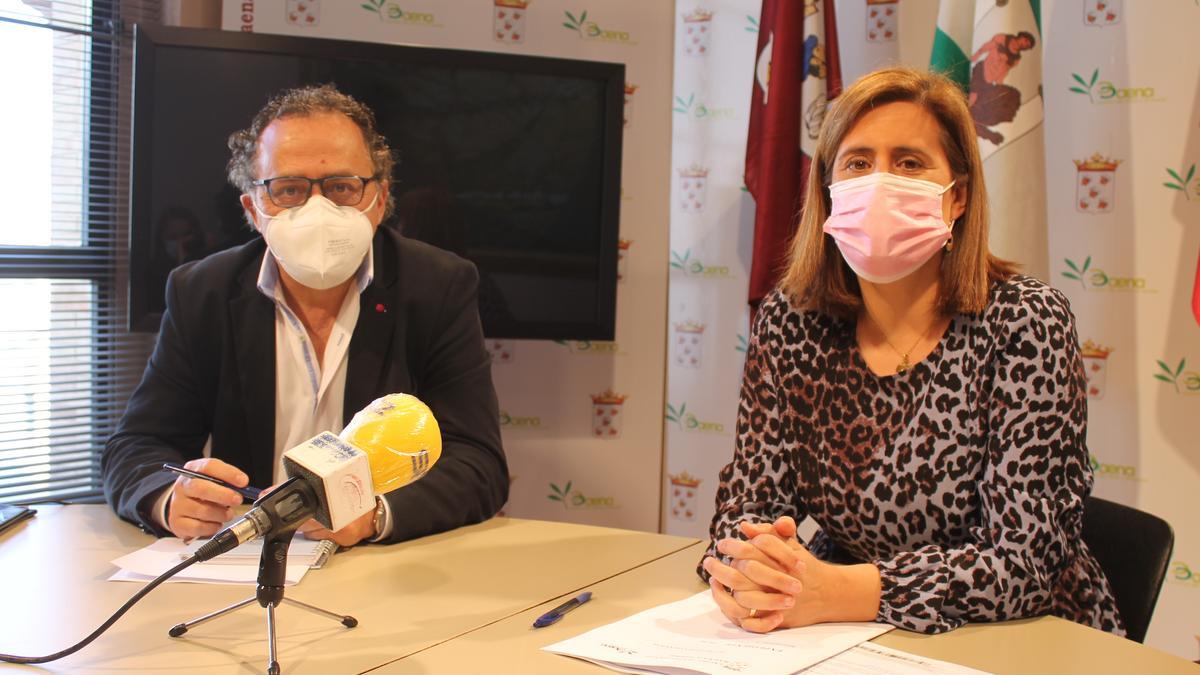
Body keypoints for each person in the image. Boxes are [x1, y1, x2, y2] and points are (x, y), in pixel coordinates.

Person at [699, 67, 1123, 636]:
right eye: (857, 162)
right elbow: (747, 502)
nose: (880, 182)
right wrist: (753, 567)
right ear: (827, 194)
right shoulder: (792, 323)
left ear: (958, 197)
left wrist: (833, 589)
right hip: (843, 630)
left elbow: (1024, 564)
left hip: (1022, 634)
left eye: (909, 163)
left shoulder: (1024, 321)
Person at [103, 84, 508, 547]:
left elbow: (479, 462)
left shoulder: (438, 285)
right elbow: (135, 447)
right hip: (245, 560)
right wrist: (169, 499)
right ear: (253, 208)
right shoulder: (201, 291)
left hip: (381, 569)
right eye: (289, 189)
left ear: (379, 199)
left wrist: (375, 515)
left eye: (341, 187)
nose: (318, 210)